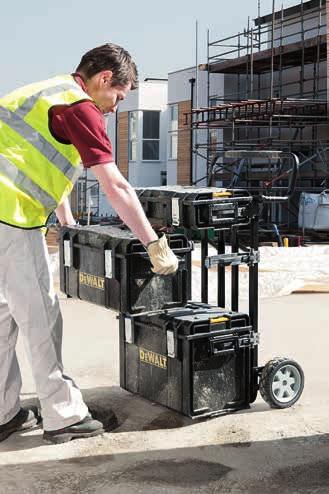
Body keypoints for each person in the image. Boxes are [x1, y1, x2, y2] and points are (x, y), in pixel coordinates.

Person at [0, 43, 178, 444]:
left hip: (3, 214)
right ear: (103, 79)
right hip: (9, 219)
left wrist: (67, 222)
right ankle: (63, 416)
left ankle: (4, 412)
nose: (116, 106)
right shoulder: (81, 108)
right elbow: (114, 184)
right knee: (40, 317)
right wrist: (152, 243)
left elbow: (31, 159)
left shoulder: (46, 93)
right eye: (119, 95)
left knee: (3, 316)